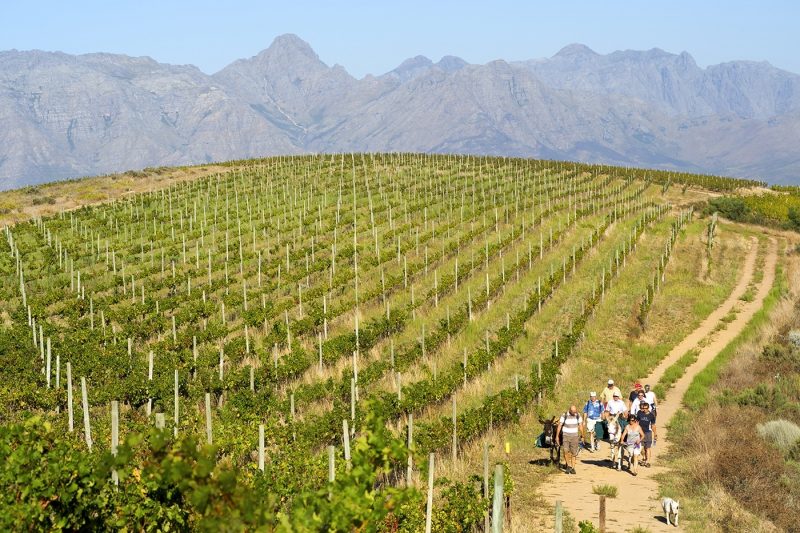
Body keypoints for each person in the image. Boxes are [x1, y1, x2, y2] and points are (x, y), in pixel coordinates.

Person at [556, 404, 584, 475]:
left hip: (574, 436)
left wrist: (582, 435)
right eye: (573, 412)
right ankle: (568, 466)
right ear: (570, 410)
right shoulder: (564, 415)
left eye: (575, 411)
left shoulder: (578, 415)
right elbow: (559, 426)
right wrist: (557, 436)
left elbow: (580, 425)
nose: (574, 413)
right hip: (566, 435)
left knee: (574, 453)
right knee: (566, 451)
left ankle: (573, 468)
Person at [636, 401, 657, 467]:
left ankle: (648, 462)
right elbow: (637, 422)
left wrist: (655, 434)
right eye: (643, 408)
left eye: (646, 408)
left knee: (648, 447)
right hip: (641, 433)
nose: (644, 409)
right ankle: (644, 459)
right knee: (641, 447)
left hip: (648, 433)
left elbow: (653, 425)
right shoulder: (640, 413)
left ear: (648, 408)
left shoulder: (651, 416)